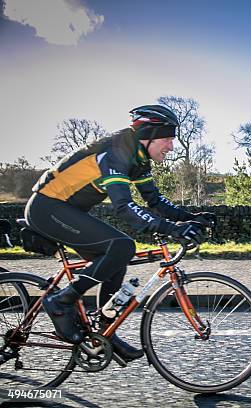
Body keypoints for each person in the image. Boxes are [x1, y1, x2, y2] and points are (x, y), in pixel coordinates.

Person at [25, 105, 215, 363]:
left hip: (67, 210)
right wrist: (170, 229)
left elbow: (155, 201)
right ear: (148, 135)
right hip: (47, 207)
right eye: (167, 139)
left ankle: (105, 331)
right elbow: (123, 206)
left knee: (116, 261)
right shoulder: (116, 153)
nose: (171, 147)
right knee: (123, 246)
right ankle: (60, 301)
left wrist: (189, 218)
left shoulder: (138, 158)